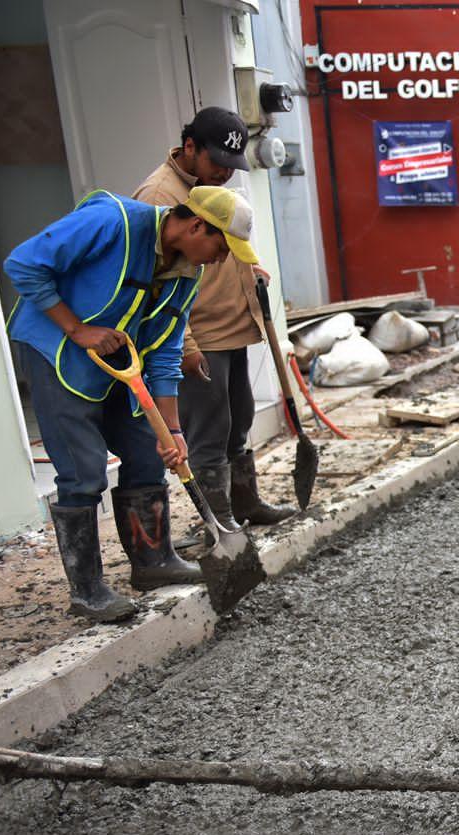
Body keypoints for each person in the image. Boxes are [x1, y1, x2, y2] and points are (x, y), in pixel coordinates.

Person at [5, 186, 251, 621]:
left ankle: (154, 562)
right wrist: (76, 329)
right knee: (83, 469)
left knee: (144, 452)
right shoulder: (111, 221)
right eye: (221, 247)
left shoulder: (185, 274)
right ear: (196, 225)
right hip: (56, 351)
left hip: (120, 358)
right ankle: (87, 591)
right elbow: (22, 265)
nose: (221, 260)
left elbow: (166, 351)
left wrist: (173, 431)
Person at [133, 106, 295, 530]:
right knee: (208, 432)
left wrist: (250, 266)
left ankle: (245, 503)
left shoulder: (209, 185)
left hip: (232, 323)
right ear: (190, 147)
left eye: (231, 165)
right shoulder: (161, 196)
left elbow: (229, 239)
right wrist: (184, 344)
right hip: (200, 333)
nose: (225, 173)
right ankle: (218, 524)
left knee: (237, 420)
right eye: (217, 163)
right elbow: (157, 283)